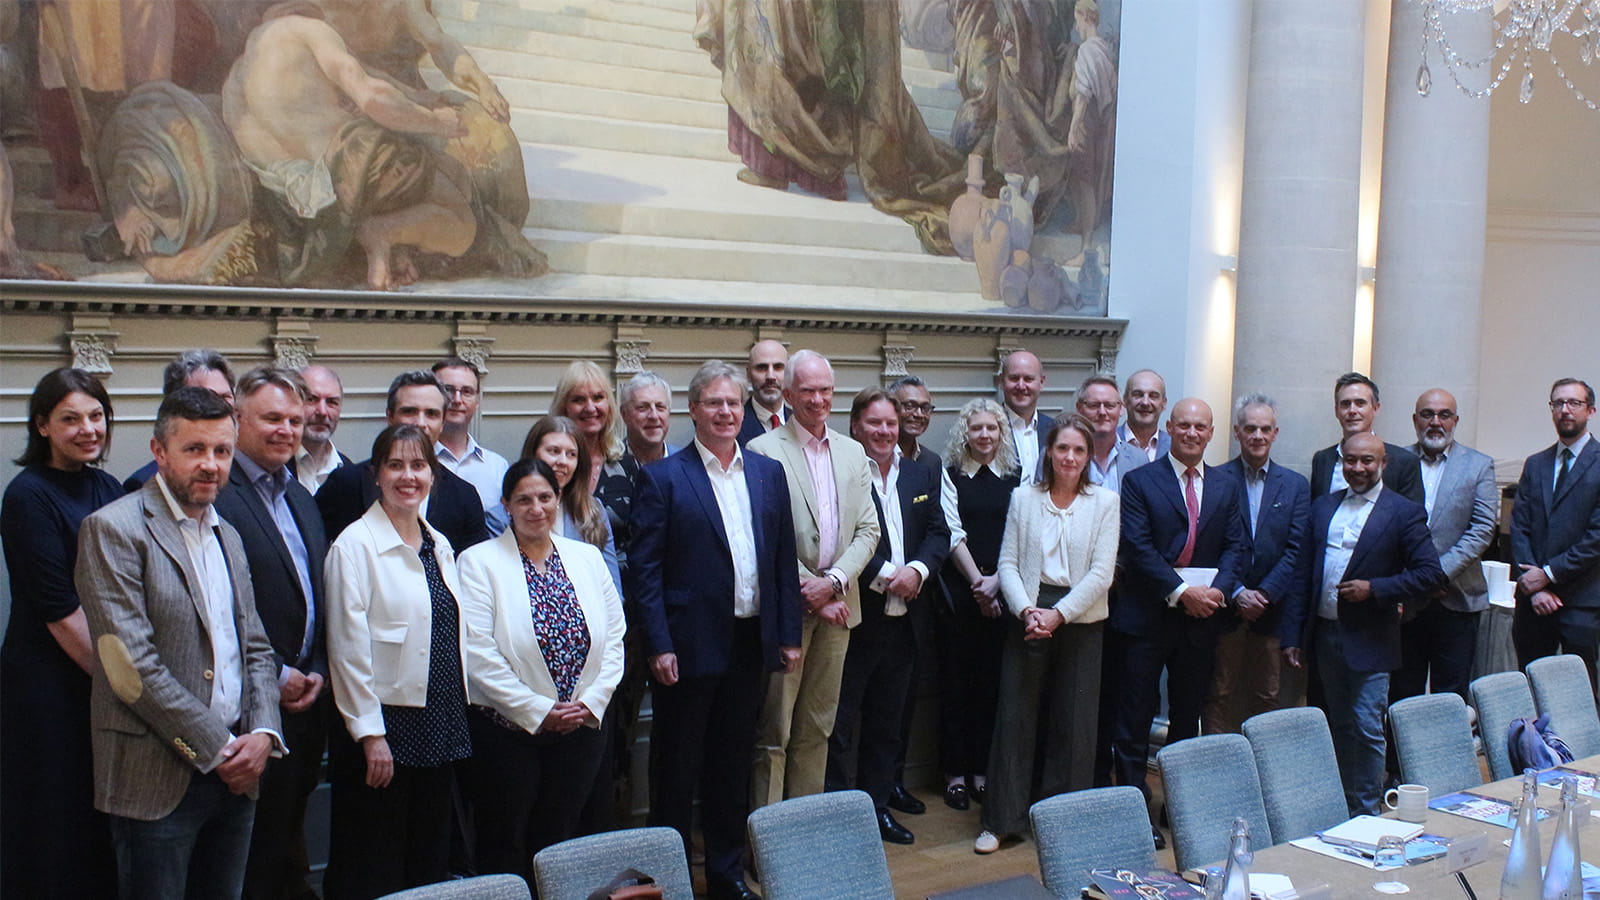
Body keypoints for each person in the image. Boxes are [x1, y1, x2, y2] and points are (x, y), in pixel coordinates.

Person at [75, 386, 284, 899]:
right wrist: (221, 750)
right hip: (159, 777)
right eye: (195, 449)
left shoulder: (227, 534)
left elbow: (256, 647)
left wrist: (263, 732)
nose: (211, 464)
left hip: (240, 771)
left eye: (222, 450)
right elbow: (131, 669)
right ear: (159, 452)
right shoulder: (113, 529)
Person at [631, 360, 802, 900]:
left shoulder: (767, 472)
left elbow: (782, 558)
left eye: (733, 402)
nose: (726, 412)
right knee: (677, 769)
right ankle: (671, 879)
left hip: (750, 642)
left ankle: (726, 874)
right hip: (686, 646)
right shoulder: (664, 477)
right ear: (693, 410)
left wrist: (787, 634)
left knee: (731, 765)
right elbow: (646, 572)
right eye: (714, 403)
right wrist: (658, 644)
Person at [456, 458, 626, 886]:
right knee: (505, 843)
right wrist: (538, 711)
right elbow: (478, 655)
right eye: (524, 500)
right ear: (506, 506)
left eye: (545, 497)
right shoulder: (477, 563)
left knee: (561, 841)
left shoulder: (587, 557)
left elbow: (614, 637)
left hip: (580, 730)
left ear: (558, 498)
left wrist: (591, 702)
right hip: (507, 736)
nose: (536, 508)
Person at [323, 425, 472, 899]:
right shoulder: (354, 546)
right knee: (376, 860)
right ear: (376, 474)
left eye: (418, 465)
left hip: (439, 720)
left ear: (433, 474)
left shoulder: (438, 543)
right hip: (385, 729)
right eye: (396, 465)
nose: (408, 476)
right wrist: (372, 736)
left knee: (427, 858)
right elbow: (347, 651)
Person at [1, 368, 122, 897]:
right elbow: (60, 611)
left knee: (100, 827)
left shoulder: (107, 486)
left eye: (96, 416)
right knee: (54, 825)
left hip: (102, 678)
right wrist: (124, 687)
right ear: (42, 426)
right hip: (49, 687)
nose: (88, 429)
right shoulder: (27, 495)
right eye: (71, 419)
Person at [212, 366, 331, 900]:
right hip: (245, 711)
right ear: (238, 418)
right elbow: (215, 608)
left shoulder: (300, 496)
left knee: (285, 844)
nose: (287, 430)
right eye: (272, 419)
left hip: (306, 704)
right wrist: (276, 675)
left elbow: (319, 595)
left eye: (294, 421)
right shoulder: (217, 493)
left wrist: (318, 668)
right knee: (246, 860)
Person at [975, 415, 1119, 855]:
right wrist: (1026, 611)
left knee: (1074, 726)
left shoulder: (1105, 503)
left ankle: (1063, 825)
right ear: (1049, 453)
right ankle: (1001, 821)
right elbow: (1007, 563)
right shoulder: (1024, 498)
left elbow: (1102, 573)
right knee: (1015, 719)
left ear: (1088, 456)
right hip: (1028, 614)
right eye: (1062, 448)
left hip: (1080, 619)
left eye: (1078, 450)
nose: (1069, 457)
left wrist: (1059, 615)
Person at [1109, 398, 1249, 847]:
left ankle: (1180, 806)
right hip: (1147, 617)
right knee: (1135, 717)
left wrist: (1218, 592)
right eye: (1183, 425)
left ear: (1211, 433)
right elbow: (1138, 547)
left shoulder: (1227, 484)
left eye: (1200, 427)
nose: (1191, 433)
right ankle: (1135, 809)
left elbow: (1237, 546)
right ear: (1170, 428)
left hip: (1202, 621)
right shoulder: (1140, 481)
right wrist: (1182, 592)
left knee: (1188, 717)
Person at [1282, 433, 1445, 816]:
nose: (1357, 468)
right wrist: (1293, 636)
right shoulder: (1323, 507)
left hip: (1371, 637)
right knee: (1337, 724)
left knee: (1367, 726)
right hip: (1325, 634)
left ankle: (1367, 810)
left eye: (1367, 461)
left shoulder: (1403, 512)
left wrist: (1375, 589)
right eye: (1350, 461)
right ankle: (1341, 807)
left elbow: (1432, 575)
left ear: (1383, 464)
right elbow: (1302, 576)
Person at [748, 350, 880, 806]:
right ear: (788, 394)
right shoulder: (763, 451)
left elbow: (869, 530)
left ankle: (802, 831)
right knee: (775, 732)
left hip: (840, 610)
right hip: (790, 609)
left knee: (818, 729)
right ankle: (764, 835)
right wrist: (810, 589)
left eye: (825, 390)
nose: (818, 399)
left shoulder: (853, 451)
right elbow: (764, 536)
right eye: (808, 390)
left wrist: (835, 582)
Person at [826, 389, 949, 845]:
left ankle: (877, 808)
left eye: (890, 423)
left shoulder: (919, 472)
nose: (884, 431)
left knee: (887, 723)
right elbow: (838, 537)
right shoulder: (842, 472)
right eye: (874, 423)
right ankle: (841, 816)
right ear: (855, 426)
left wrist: (917, 571)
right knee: (841, 724)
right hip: (860, 616)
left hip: (908, 618)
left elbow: (938, 531)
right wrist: (884, 575)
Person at [1205, 394, 1310, 733]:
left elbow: (1296, 549)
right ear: (1237, 431)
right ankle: (1217, 758)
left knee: (1268, 695)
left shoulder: (1295, 485)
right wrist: (1237, 592)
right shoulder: (1215, 479)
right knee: (1218, 692)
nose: (1258, 436)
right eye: (1250, 428)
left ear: (1275, 433)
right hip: (1224, 607)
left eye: (1265, 429)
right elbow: (1211, 544)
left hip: (1272, 610)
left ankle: (1264, 761)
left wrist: (1263, 594)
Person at [935, 397, 1020, 810]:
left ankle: (982, 771)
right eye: (976, 428)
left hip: (1005, 590)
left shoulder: (1016, 476)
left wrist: (997, 582)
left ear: (1001, 432)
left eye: (992, 428)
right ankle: (954, 773)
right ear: (964, 433)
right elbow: (952, 532)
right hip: (961, 592)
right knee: (955, 684)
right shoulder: (950, 474)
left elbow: (1021, 533)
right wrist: (978, 584)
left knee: (991, 685)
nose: (984, 435)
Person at [1392, 388, 1496, 700]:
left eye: (1444, 415)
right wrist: (1414, 580)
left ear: (1455, 421)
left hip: (1457, 598)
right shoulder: (1394, 461)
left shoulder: (1479, 465)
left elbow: (1482, 529)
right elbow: (1383, 527)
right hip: (1406, 601)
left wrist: (1436, 574)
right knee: (1402, 695)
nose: (1436, 422)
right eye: (1427, 414)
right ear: (1415, 420)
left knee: (1450, 697)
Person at [318, 370, 489, 555]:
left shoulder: (464, 497)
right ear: (390, 416)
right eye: (410, 411)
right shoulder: (345, 483)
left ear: (442, 423)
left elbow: (473, 566)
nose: (420, 423)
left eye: (431, 414)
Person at [1510, 378, 1600, 681]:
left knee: (1580, 692)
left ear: (1591, 410)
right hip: (1532, 602)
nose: (1565, 410)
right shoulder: (1536, 464)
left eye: (1574, 403)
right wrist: (1534, 585)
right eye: (1558, 403)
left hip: (1581, 601)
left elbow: (1596, 537)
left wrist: (1548, 574)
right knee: (1530, 687)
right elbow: (1518, 528)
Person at [519, 416, 623, 597]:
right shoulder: (503, 516)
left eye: (571, 454)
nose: (563, 461)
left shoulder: (594, 511)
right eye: (554, 451)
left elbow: (613, 593)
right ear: (533, 454)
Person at [123, 349, 237, 491]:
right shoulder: (144, 484)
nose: (219, 406)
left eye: (225, 397)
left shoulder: (244, 473)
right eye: (205, 396)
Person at [1309, 372, 1424, 504]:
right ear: (1336, 411)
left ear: (1375, 408)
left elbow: (1412, 514)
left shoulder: (1404, 462)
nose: (1352, 411)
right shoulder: (1322, 460)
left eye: (1360, 403)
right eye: (1345, 404)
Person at [432, 357, 510, 535]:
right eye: (447, 390)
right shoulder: (415, 464)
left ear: (477, 401)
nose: (457, 399)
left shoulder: (497, 467)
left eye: (466, 391)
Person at [1077, 373, 1150, 493]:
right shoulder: (1062, 456)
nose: (1102, 412)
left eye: (1109, 405)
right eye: (1094, 405)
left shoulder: (1138, 460)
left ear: (1121, 409)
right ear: (1079, 408)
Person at [997, 350, 1053, 485]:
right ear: (1002, 382)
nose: (1021, 386)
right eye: (1014, 378)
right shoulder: (987, 429)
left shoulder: (1055, 429)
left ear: (1041, 382)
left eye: (1028, 379)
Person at [296, 363, 351, 495]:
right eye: (311, 399)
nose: (322, 412)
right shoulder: (274, 466)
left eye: (332, 402)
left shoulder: (349, 471)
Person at [738, 339, 790, 446]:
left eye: (778, 367)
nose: (770, 376)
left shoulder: (801, 422)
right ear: (748, 374)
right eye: (762, 368)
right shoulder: (734, 424)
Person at [1118, 369, 1171, 462]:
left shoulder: (1174, 448)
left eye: (1153, 396)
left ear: (1164, 403)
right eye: (1138, 395)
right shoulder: (1108, 443)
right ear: (1125, 400)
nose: (1145, 403)